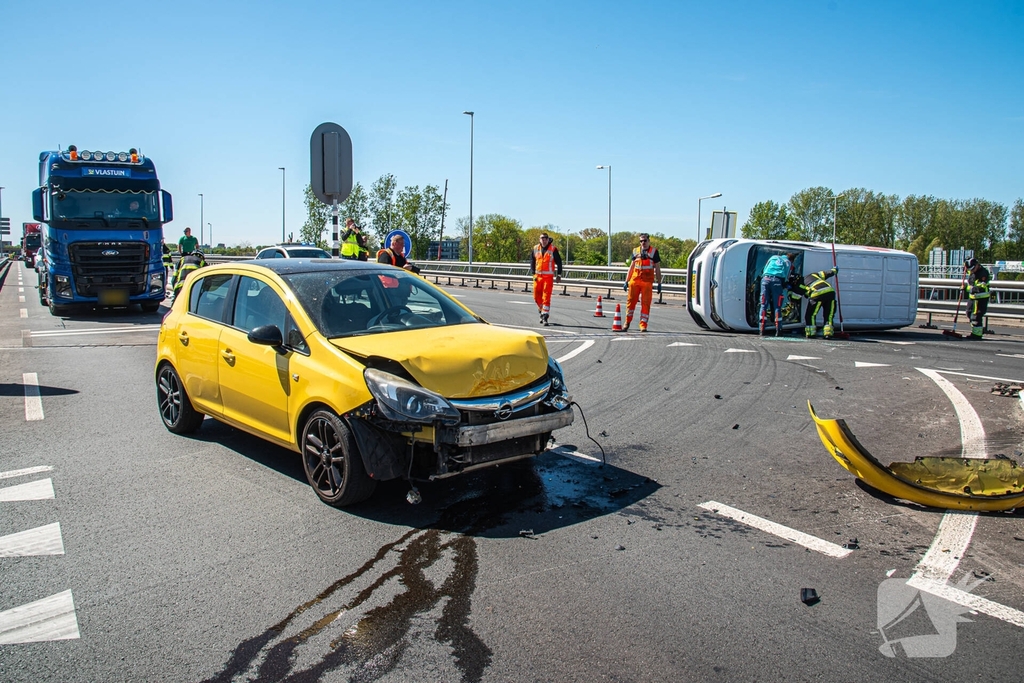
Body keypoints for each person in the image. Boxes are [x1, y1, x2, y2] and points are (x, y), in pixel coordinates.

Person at [622, 233, 662, 332]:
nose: (643, 243)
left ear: (649, 241)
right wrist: (626, 280)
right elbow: (631, 267)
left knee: (646, 304)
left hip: (647, 282)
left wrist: (659, 283)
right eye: (641, 241)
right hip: (635, 281)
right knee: (631, 303)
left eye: (644, 241)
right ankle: (627, 322)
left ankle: (643, 325)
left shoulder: (654, 252)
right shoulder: (635, 251)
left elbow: (657, 268)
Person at [789, 267, 839, 338]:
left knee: (810, 315)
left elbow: (794, 298)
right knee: (829, 315)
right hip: (830, 292)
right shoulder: (813, 275)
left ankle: (811, 333)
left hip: (817, 294)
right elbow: (827, 273)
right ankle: (828, 334)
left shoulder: (798, 285)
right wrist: (834, 270)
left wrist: (790, 291)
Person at [529, 232, 563, 326]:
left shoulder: (553, 249)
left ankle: (545, 316)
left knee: (546, 297)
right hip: (537, 277)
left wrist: (559, 275)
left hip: (548, 278)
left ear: (548, 240)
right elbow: (532, 260)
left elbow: (559, 262)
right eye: (542, 238)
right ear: (539, 240)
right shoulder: (536, 248)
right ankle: (541, 310)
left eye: (545, 239)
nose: (543, 240)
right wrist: (533, 272)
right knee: (536, 297)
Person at [759, 252, 795, 336]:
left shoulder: (773, 257)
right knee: (777, 306)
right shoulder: (788, 262)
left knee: (763, 305)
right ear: (792, 259)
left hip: (765, 280)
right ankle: (778, 330)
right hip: (777, 281)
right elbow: (787, 277)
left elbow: (765, 269)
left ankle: (761, 329)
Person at [963, 257, 990, 340]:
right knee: (969, 313)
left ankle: (977, 334)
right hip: (972, 297)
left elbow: (981, 286)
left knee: (976, 316)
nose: (971, 271)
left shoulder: (983, 273)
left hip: (981, 298)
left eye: (972, 269)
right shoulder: (971, 271)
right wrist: (965, 287)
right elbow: (970, 283)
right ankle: (974, 331)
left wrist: (969, 289)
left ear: (977, 265)